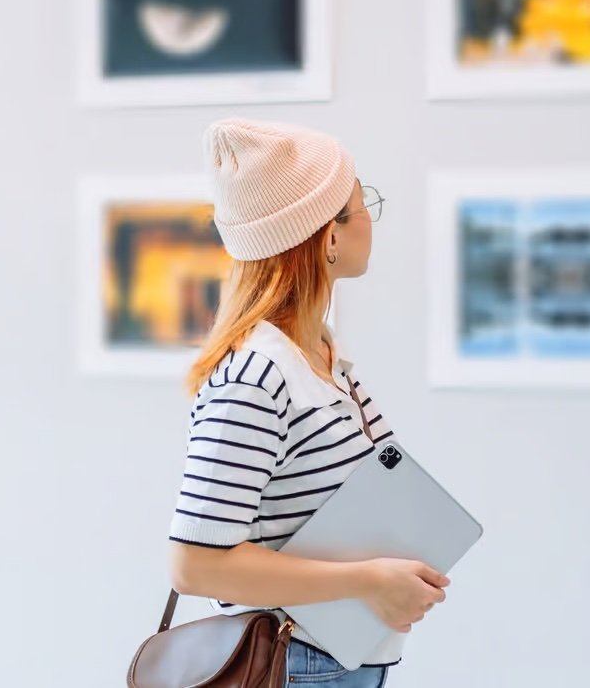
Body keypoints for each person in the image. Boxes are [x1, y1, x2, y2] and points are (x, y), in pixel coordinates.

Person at [167, 118, 445, 686]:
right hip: (299, 670)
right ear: (329, 236)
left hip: (341, 664)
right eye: (360, 200)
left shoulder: (318, 356)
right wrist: (369, 582)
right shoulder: (256, 375)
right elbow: (194, 563)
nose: (372, 215)